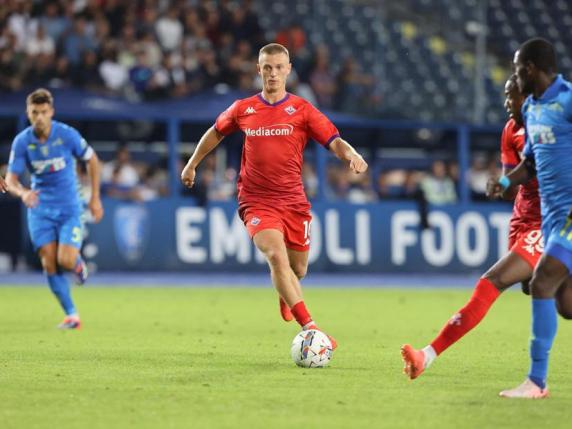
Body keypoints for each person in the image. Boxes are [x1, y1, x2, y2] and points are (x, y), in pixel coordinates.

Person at [181, 43, 368, 348]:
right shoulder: (243, 108)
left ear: (288, 70)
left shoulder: (302, 109)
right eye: (267, 67)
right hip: (256, 200)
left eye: (279, 67)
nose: (272, 73)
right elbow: (214, 131)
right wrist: (192, 164)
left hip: (293, 201)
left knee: (298, 269)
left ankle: (287, 294)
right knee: (275, 256)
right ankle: (311, 328)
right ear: (258, 70)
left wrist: (352, 155)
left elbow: (334, 141)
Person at [400, 74, 544, 380]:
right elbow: (511, 186)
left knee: (492, 281)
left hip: (549, 219)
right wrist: (502, 185)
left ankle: (426, 356)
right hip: (522, 217)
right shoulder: (510, 130)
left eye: (512, 95)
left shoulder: (549, 127)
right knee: (537, 289)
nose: (507, 102)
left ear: (529, 96)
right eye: (505, 95)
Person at [488, 38, 572, 398]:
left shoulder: (567, 100)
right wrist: (505, 181)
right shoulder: (534, 109)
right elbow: (532, 163)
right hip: (553, 217)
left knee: (541, 282)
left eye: (516, 69)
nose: (512, 77)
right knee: (565, 305)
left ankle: (536, 381)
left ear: (530, 69)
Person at [6, 88, 103, 330]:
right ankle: (72, 315)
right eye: (34, 112)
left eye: (43, 112)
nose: (39, 117)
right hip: (40, 208)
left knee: (65, 259)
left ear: (52, 112)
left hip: (69, 205)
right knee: (49, 261)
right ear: (28, 113)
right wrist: (23, 192)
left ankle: (78, 264)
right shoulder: (22, 142)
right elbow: (11, 179)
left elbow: (92, 159)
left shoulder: (67, 135)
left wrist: (95, 199)